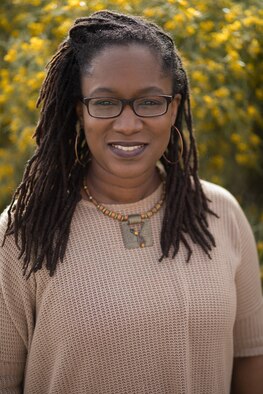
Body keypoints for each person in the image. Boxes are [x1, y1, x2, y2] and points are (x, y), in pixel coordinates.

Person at [0, 10, 263, 394]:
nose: (127, 125)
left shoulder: (218, 213)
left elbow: (251, 358)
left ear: (173, 108)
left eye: (149, 102)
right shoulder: (23, 233)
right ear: (79, 110)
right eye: (105, 103)